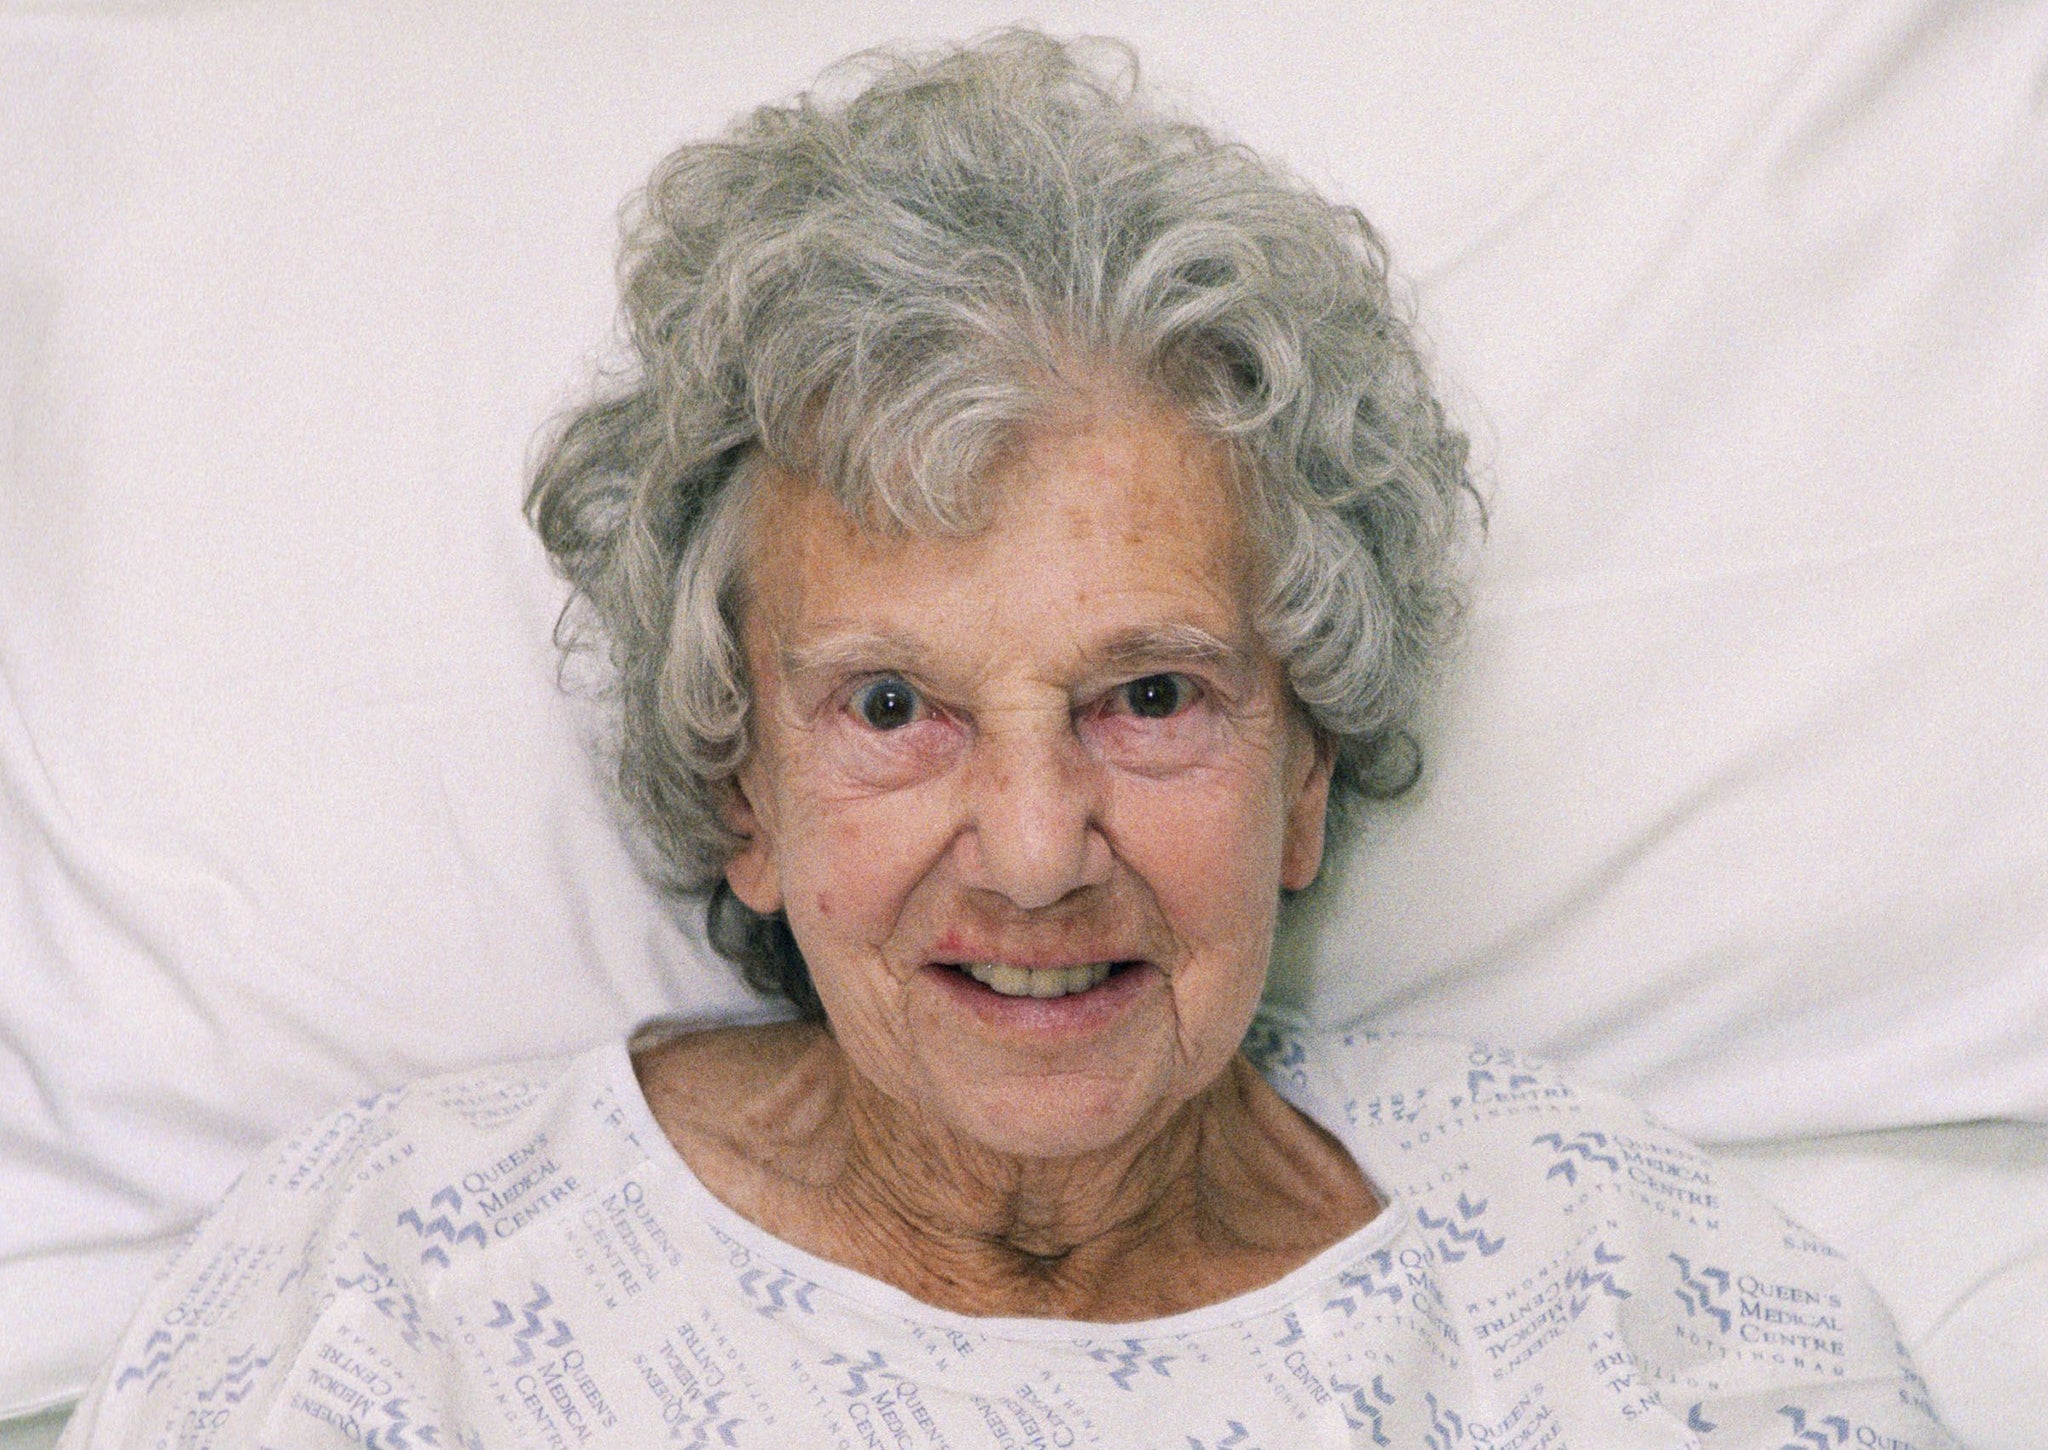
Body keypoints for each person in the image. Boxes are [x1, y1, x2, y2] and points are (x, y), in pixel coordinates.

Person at [61, 30, 1956, 1449]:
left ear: (1305, 764)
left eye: (1152, 697)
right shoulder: (392, 1288)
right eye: (894, 708)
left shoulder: (1628, 1307)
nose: (1040, 847)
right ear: (742, 779)